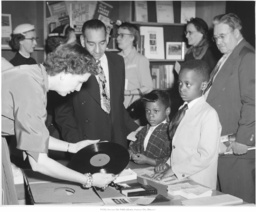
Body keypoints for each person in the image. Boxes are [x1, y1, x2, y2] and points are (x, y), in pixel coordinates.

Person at [2, 42, 116, 204]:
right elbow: (39, 163)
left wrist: (72, 147)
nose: (78, 89)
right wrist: (88, 180)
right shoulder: (32, 90)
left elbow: (36, 138)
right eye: (79, 82)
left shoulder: (34, 74)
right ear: (64, 72)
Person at [55, 19, 138, 149]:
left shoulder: (117, 61)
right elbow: (63, 113)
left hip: (117, 139)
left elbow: (117, 104)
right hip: (86, 141)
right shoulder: (71, 65)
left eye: (102, 43)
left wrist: (136, 129)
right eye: (91, 44)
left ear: (107, 38)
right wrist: (75, 143)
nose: (98, 50)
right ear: (82, 41)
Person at [206, 13, 255, 203]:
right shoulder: (228, 56)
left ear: (236, 31)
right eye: (215, 37)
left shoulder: (248, 56)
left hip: (238, 148)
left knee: (239, 202)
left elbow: (253, 101)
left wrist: (243, 139)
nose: (218, 41)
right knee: (225, 201)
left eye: (222, 36)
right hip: (222, 144)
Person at [153, 60, 221, 190]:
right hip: (180, 178)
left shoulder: (208, 114)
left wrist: (174, 170)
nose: (181, 88)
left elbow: (205, 156)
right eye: (180, 83)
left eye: (188, 84)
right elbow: (181, 147)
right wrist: (168, 164)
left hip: (199, 182)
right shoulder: (182, 109)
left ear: (203, 85)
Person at [129, 90, 171, 166]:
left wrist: (148, 160)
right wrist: (132, 154)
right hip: (142, 169)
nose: (151, 115)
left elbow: (171, 160)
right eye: (148, 111)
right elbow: (134, 147)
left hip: (159, 173)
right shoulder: (145, 129)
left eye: (156, 111)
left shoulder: (169, 133)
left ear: (167, 111)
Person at [116, 22, 153, 109]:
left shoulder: (141, 60)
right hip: (116, 106)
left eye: (122, 35)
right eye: (117, 35)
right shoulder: (115, 59)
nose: (117, 38)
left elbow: (148, 87)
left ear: (132, 37)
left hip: (133, 108)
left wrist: (128, 92)